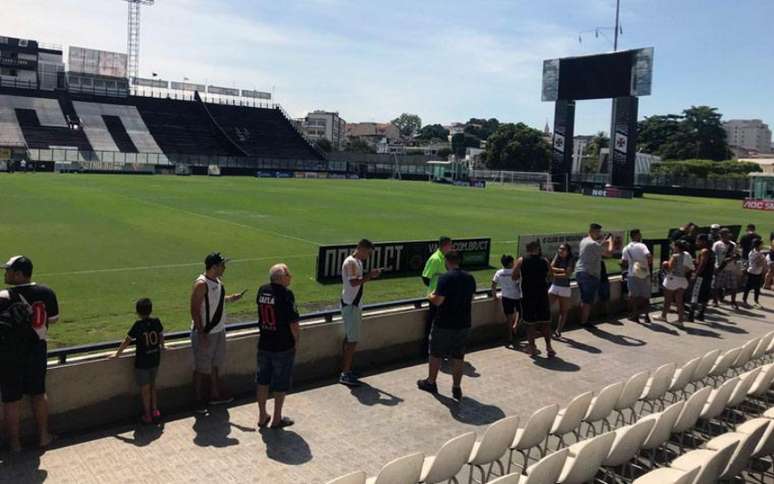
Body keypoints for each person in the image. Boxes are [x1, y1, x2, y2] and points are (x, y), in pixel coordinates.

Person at [0, 256, 58, 451]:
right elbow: (54, 319)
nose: (5, 273)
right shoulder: (47, 292)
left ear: (18, 274)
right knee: (39, 394)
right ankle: (43, 437)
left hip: (9, 355)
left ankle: (15, 444)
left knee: (11, 400)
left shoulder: (2, 296)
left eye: (8, 270)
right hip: (37, 352)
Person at [417, 250, 476, 400]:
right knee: (458, 356)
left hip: (444, 323)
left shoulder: (445, 278)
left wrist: (430, 295)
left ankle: (431, 382)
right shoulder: (470, 278)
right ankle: (456, 387)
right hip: (464, 323)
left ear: (446, 262)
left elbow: (438, 301)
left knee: (435, 353)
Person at [190, 252, 244, 408]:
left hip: (219, 331)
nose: (224, 268)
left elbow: (217, 301)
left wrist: (232, 298)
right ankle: (198, 401)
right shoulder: (201, 284)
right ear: (214, 267)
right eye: (222, 265)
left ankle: (214, 395)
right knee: (201, 369)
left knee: (215, 365)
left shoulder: (217, 282)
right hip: (206, 333)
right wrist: (202, 334)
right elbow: (194, 310)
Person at [255, 264, 300, 429]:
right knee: (280, 383)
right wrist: (296, 341)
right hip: (282, 346)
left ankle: (262, 416)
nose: (291, 276)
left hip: (264, 343)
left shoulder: (262, 290)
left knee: (262, 381)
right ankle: (276, 418)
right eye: (288, 273)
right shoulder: (286, 294)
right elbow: (293, 323)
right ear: (281, 277)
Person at [113, 298, 164, 425]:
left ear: (138, 312)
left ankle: (147, 415)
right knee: (153, 386)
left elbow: (127, 340)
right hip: (155, 359)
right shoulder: (156, 321)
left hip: (142, 363)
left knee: (145, 389)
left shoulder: (138, 325)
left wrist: (117, 354)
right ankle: (155, 411)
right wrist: (164, 346)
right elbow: (161, 335)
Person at [339, 239, 381, 387]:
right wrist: (370, 275)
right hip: (351, 305)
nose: (368, 256)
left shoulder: (356, 262)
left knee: (350, 338)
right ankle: (345, 373)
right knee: (352, 341)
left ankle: (346, 370)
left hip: (352, 304)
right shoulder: (351, 262)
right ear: (361, 249)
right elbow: (354, 283)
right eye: (368, 253)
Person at [512, 241, 555, 357]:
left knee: (530, 323)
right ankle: (549, 347)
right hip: (542, 295)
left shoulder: (521, 260)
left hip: (528, 295)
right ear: (537, 249)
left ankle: (532, 348)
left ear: (527, 249)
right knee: (545, 322)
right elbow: (551, 275)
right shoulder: (544, 260)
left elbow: (514, 276)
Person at [575, 223, 615, 326]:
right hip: (590, 274)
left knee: (584, 299)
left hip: (580, 272)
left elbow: (595, 250)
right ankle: (584, 321)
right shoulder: (593, 244)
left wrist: (602, 243)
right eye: (598, 232)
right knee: (587, 300)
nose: (599, 234)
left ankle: (583, 319)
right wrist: (611, 242)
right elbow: (609, 254)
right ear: (592, 231)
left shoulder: (584, 241)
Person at [421, 236, 453, 355]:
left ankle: (441, 348)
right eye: (450, 245)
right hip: (435, 298)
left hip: (445, 297)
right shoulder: (435, 259)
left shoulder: (445, 258)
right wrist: (434, 290)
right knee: (432, 323)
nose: (451, 247)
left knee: (443, 324)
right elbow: (425, 277)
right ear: (445, 245)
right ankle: (426, 350)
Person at [620, 229, 653, 323]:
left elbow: (624, 262)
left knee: (634, 296)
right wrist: (645, 265)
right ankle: (646, 316)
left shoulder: (626, 248)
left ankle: (635, 315)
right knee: (645, 296)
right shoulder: (642, 246)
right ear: (636, 235)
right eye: (639, 234)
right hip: (645, 273)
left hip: (632, 274)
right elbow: (649, 257)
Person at [659, 240, 694, 326]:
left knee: (667, 299)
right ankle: (680, 320)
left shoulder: (675, 256)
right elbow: (689, 268)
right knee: (679, 301)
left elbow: (669, 269)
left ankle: (663, 316)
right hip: (683, 280)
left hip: (673, 280)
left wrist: (664, 265)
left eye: (674, 246)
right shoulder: (687, 255)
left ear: (677, 247)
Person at [491, 255, 522, 345]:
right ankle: (515, 325)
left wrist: (494, 296)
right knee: (520, 313)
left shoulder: (499, 272)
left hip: (506, 297)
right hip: (517, 296)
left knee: (508, 317)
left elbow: (493, 285)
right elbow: (519, 283)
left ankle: (510, 337)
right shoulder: (516, 272)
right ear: (510, 263)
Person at [548, 244, 575, 338]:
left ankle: (558, 330)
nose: (560, 250)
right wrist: (561, 270)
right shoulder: (558, 257)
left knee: (563, 311)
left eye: (563, 249)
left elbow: (567, 275)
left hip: (564, 288)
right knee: (546, 307)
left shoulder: (571, 260)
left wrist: (555, 274)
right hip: (554, 286)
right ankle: (547, 328)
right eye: (559, 248)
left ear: (568, 251)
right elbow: (550, 268)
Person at [688, 234, 716, 322]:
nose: (696, 242)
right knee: (704, 296)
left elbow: (703, 264)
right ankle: (701, 314)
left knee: (695, 294)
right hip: (708, 277)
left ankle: (691, 315)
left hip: (701, 277)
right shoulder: (711, 251)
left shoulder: (704, 251)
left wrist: (696, 274)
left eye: (698, 240)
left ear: (703, 241)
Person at [712, 229, 740, 309]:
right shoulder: (717, 244)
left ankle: (733, 302)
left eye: (727, 235)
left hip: (731, 268)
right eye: (724, 235)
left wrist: (732, 258)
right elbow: (713, 256)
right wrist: (714, 267)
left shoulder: (733, 245)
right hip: (719, 267)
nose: (726, 236)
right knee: (715, 286)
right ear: (721, 235)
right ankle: (715, 301)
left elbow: (738, 256)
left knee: (733, 286)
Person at [743, 238, 766, 308]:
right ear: (758, 245)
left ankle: (755, 301)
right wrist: (763, 261)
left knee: (757, 288)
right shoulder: (756, 253)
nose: (763, 246)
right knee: (749, 287)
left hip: (757, 272)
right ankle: (745, 300)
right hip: (753, 272)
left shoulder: (756, 252)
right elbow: (758, 264)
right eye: (761, 244)